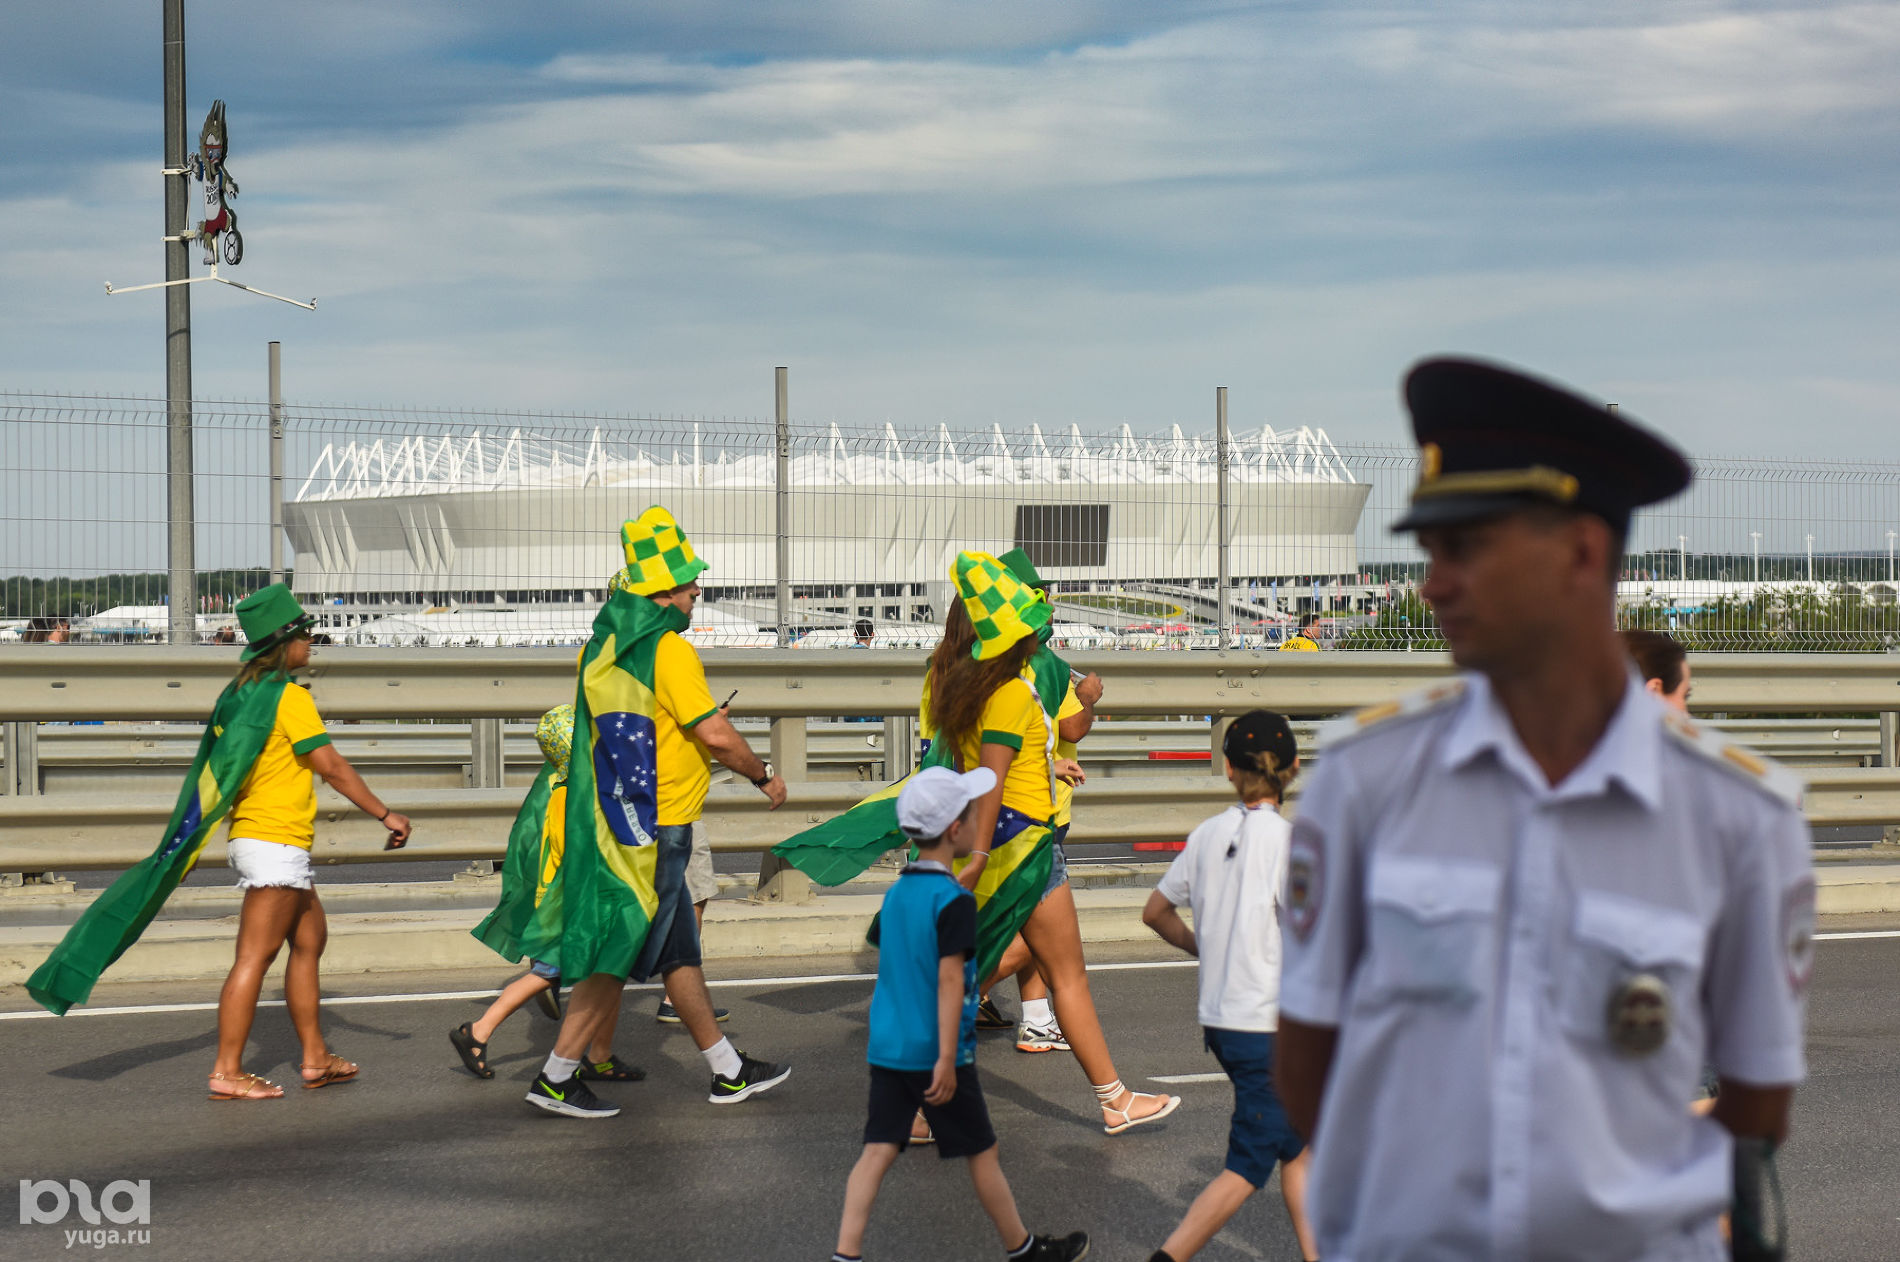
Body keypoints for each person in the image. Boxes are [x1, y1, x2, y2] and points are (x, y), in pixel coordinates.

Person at [1275, 358, 1812, 1261]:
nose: (1432, 584)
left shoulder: (1739, 816)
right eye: (1429, 552)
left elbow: (1756, 1103)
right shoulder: (1366, 782)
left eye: (1466, 547)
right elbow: (1308, 1059)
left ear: (1581, 554)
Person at [25, 585, 414, 1096]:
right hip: (275, 843)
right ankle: (227, 1070)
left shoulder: (238, 696)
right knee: (254, 958)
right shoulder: (289, 697)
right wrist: (385, 813)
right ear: (285, 644)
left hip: (258, 839)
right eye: (305, 634)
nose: (312, 642)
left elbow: (220, 772)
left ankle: (316, 1057)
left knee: (310, 940)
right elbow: (333, 767)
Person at [528, 508, 790, 1119]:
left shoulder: (604, 646)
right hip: (662, 823)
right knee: (620, 954)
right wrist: (763, 775)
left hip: (621, 817)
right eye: (689, 582)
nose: (698, 589)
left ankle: (727, 1071)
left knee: (676, 954)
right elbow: (714, 733)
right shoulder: (669, 650)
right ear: (664, 591)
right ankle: (556, 1077)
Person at [930, 551, 1178, 1135]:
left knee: (1001, 967)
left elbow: (983, 765)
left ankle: (923, 1101)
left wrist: (1049, 768)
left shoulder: (966, 685)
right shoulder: (1013, 691)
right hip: (1023, 847)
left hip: (1004, 841)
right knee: (1062, 975)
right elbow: (991, 779)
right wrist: (983, 855)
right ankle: (1113, 1100)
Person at [830, 764, 1090, 1262]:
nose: (978, 821)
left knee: (877, 1151)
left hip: (889, 1047)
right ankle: (1023, 1249)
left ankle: (846, 1253)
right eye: (971, 814)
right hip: (937, 1051)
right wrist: (948, 1059)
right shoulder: (952, 901)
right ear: (954, 830)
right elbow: (950, 983)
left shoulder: (897, 893)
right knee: (982, 1153)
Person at [1141, 711, 1317, 1262]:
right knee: (1246, 1166)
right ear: (1293, 767)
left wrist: (1207, 947)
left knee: (1298, 1150)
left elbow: (1155, 912)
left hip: (1222, 1023)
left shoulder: (1206, 835)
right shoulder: (1293, 844)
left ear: (1227, 768)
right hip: (1268, 1027)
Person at [456, 704, 641, 1083]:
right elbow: (581, 856)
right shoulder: (573, 798)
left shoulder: (564, 790)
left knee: (609, 974)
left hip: (575, 900)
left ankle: (600, 1054)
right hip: (573, 903)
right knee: (553, 972)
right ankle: (478, 1031)